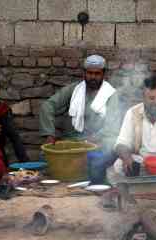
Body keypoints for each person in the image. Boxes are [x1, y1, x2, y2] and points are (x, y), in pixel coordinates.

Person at [39, 55, 121, 184]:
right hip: (72, 141)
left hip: (97, 143)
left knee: (108, 148)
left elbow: (112, 126)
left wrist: (93, 139)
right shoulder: (74, 89)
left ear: (104, 74)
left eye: (97, 73)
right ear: (84, 73)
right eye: (89, 73)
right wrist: (49, 133)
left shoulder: (111, 94)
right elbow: (48, 105)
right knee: (46, 155)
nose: (93, 77)